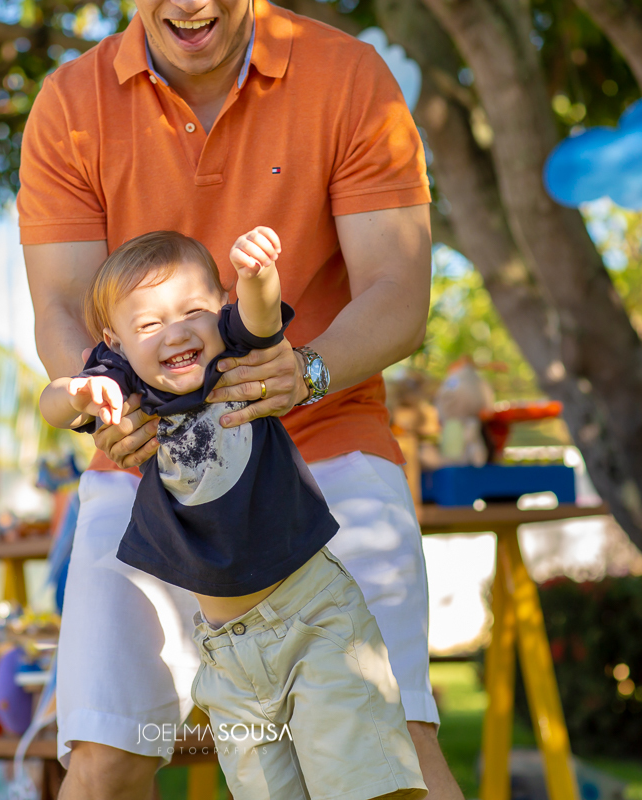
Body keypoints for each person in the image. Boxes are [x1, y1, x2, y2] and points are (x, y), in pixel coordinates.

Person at [18, 0, 464, 797]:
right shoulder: (70, 105)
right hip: (145, 468)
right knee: (104, 757)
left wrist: (311, 369)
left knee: (392, 750)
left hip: (325, 448)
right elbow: (61, 307)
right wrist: (102, 407)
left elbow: (399, 292)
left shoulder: (348, 75)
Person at [40, 227, 427, 800]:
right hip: (224, 654)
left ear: (219, 309)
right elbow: (53, 401)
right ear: (114, 344)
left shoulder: (233, 356)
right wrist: (77, 395)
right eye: (148, 325)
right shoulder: (123, 391)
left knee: (361, 783)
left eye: (193, 311)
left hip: (314, 619)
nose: (175, 332)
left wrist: (257, 274)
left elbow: (263, 315)